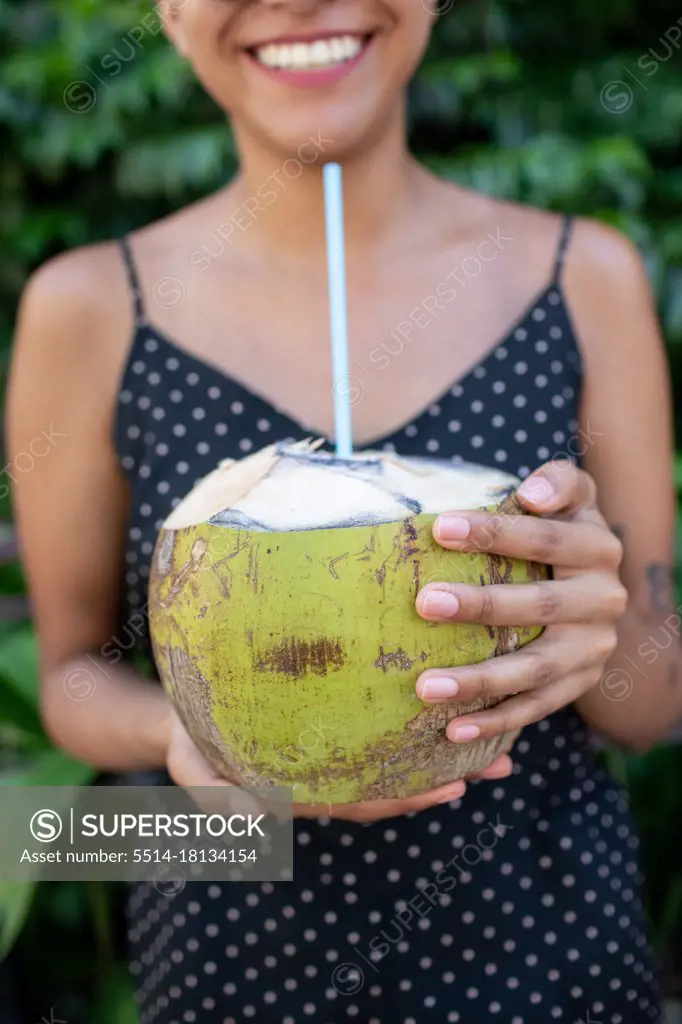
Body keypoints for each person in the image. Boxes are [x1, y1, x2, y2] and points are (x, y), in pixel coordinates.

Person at [7, 0, 681, 1021]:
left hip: (546, 947)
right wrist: (187, 742)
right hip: (231, 954)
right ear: (171, 14)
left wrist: (601, 629)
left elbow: (652, 708)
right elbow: (69, 676)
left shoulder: (585, 278)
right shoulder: (87, 308)